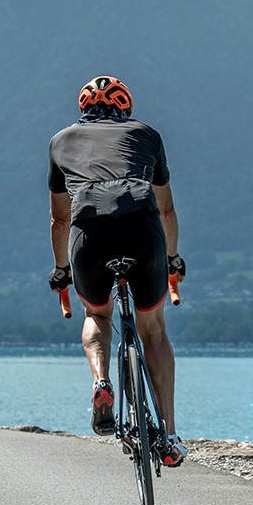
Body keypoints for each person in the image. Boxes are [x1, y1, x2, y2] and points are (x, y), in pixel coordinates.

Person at [45, 75, 185, 464]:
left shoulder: (60, 141)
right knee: (153, 329)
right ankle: (170, 436)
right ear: (126, 108)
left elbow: (59, 219)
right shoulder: (146, 135)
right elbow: (167, 210)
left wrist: (61, 270)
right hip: (142, 226)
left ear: (83, 109)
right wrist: (173, 260)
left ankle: (101, 381)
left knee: (97, 314)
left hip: (89, 233)